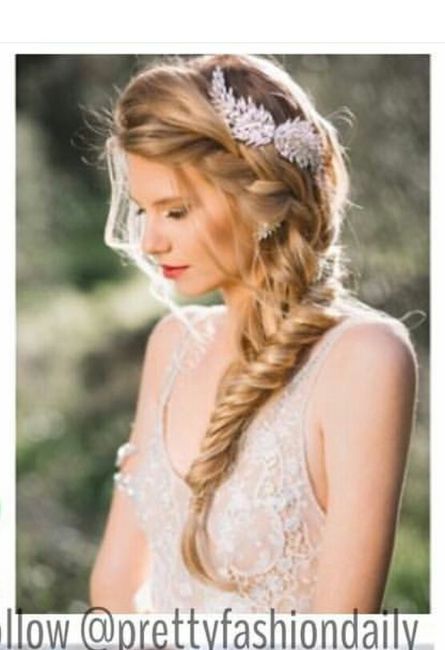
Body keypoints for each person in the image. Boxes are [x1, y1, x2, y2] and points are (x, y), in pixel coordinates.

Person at [89, 54, 419, 615]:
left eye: (175, 211)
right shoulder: (171, 345)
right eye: (144, 211)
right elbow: (113, 590)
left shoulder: (363, 359)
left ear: (257, 199)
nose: (149, 242)